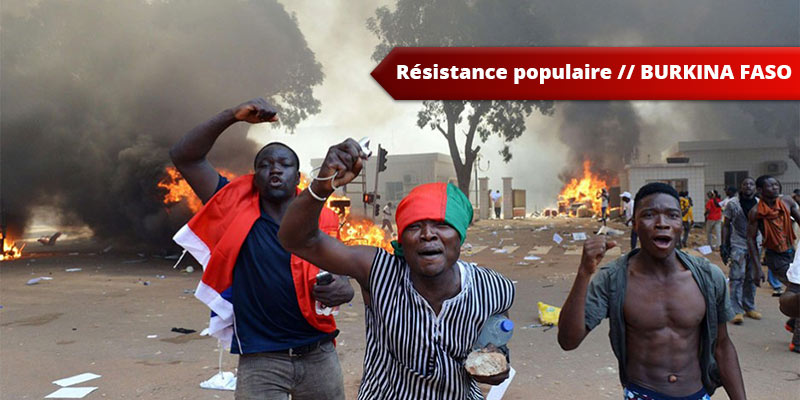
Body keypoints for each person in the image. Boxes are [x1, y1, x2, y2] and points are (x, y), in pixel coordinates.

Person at [278, 139, 515, 399]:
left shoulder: (494, 289)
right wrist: (324, 184)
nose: (428, 235)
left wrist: (497, 360)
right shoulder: (377, 271)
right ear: (401, 239)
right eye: (415, 226)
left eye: (441, 224)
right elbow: (297, 239)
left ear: (460, 236)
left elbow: (495, 341)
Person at [169, 98, 354, 399]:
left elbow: (341, 273)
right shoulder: (232, 208)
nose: (275, 170)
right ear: (255, 177)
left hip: (319, 353)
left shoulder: (322, 219)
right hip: (261, 360)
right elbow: (185, 157)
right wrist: (232, 116)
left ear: (298, 176)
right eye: (265, 165)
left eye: (284, 164)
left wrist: (344, 289)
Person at [558, 182, 745, 400]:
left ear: (681, 224)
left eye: (672, 215)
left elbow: (722, 346)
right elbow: (568, 341)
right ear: (635, 224)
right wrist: (583, 273)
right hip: (643, 393)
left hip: (697, 393)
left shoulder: (708, 277)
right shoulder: (613, 279)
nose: (661, 224)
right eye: (649, 215)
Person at [747, 175, 800, 353]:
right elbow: (751, 240)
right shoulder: (756, 211)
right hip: (776, 258)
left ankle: (793, 322)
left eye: (776, 184)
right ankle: (797, 341)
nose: (775, 188)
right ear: (760, 190)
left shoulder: (787, 202)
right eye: (770, 186)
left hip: (792, 253)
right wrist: (756, 269)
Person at [721, 177, 761, 325]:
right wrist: (724, 245)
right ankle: (736, 310)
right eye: (745, 184)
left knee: (751, 276)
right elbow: (725, 225)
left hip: (756, 244)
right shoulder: (733, 204)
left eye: (751, 184)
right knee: (737, 277)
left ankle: (749, 306)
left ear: (755, 188)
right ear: (741, 187)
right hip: (738, 243)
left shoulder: (759, 203)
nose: (748, 186)